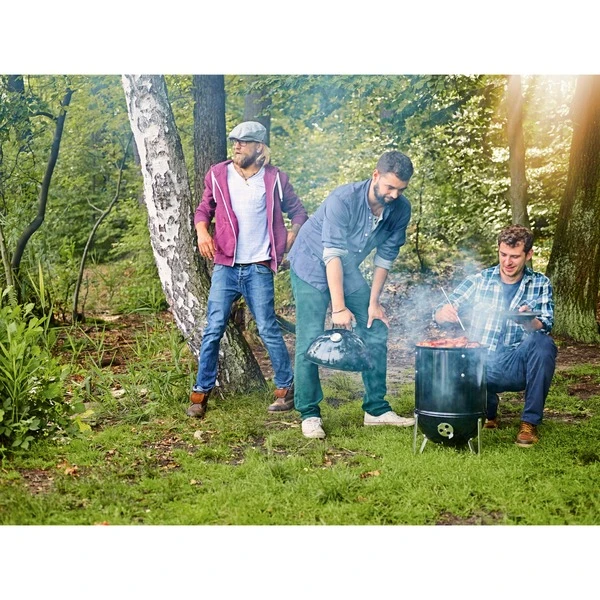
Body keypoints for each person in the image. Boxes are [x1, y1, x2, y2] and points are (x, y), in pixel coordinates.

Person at [288, 150, 416, 439]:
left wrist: (373, 303)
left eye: (401, 189)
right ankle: (309, 413)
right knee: (310, 337)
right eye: (390, 187)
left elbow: (384, 259)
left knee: (375, 325)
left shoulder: (401, 209)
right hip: (310, 263)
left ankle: (376, 409)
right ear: (376, 175)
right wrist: (339, 308)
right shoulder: (343, 199)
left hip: (345, 267)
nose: (394, 195)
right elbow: (331, 254)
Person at [187, 121, 308, 418]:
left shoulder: (275, 178)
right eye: (235, 141)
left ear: (259, 147)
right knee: (213, 329)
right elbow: (204, 209)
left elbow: (299, 212)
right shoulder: (218, 174)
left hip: (259, 266)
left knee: (267, 328)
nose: (237, 146)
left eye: (244, 141)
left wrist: (292, 234)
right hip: (226, 266)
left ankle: (286, 389)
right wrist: (202, 232)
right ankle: (200, 395)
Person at [434, 224, 557, 447]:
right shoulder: (479, 280)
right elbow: (441, 309)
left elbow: (546, 324)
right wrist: (443, 312)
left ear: (528, 254)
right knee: (464, 360)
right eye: (503, 254)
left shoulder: (540, 283)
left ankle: (529, 423)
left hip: (517, 362)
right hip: (482, 362)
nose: (507, 262)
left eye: (515, 256)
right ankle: (488, 412)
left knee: (543, 343)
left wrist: (529, 320)